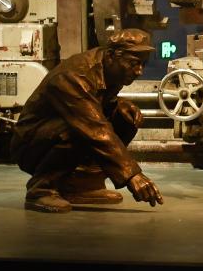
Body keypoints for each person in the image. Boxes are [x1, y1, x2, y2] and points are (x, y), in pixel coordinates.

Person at [10, 28, 164, 213]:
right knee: (79, 129)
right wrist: (132, 175)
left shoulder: (110, 69)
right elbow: (92, 127)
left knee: (125, 117)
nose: (139, 71)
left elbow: (96, 104)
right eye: (134, 63)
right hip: (31, 144)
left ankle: (82, 184)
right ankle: (41, 188)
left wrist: (119, 104)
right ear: (111, 55)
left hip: (65, 127)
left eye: (143, 64)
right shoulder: (75, 76)